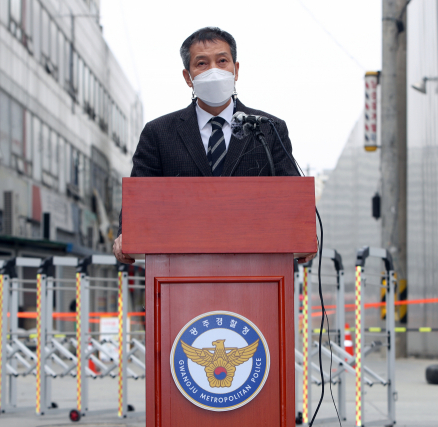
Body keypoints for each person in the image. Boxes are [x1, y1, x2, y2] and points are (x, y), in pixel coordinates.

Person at [113, 26, 316, 264]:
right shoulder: (158, 133)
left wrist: (303, 232)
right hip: (180, 269)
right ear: (188, 77)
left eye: (222, 61)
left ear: (236, 70)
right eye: (202, 64)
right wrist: (126, 233)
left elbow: (289, 194)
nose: (214, 70)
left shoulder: (268, 129)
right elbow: (140, 198)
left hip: (256, 270)